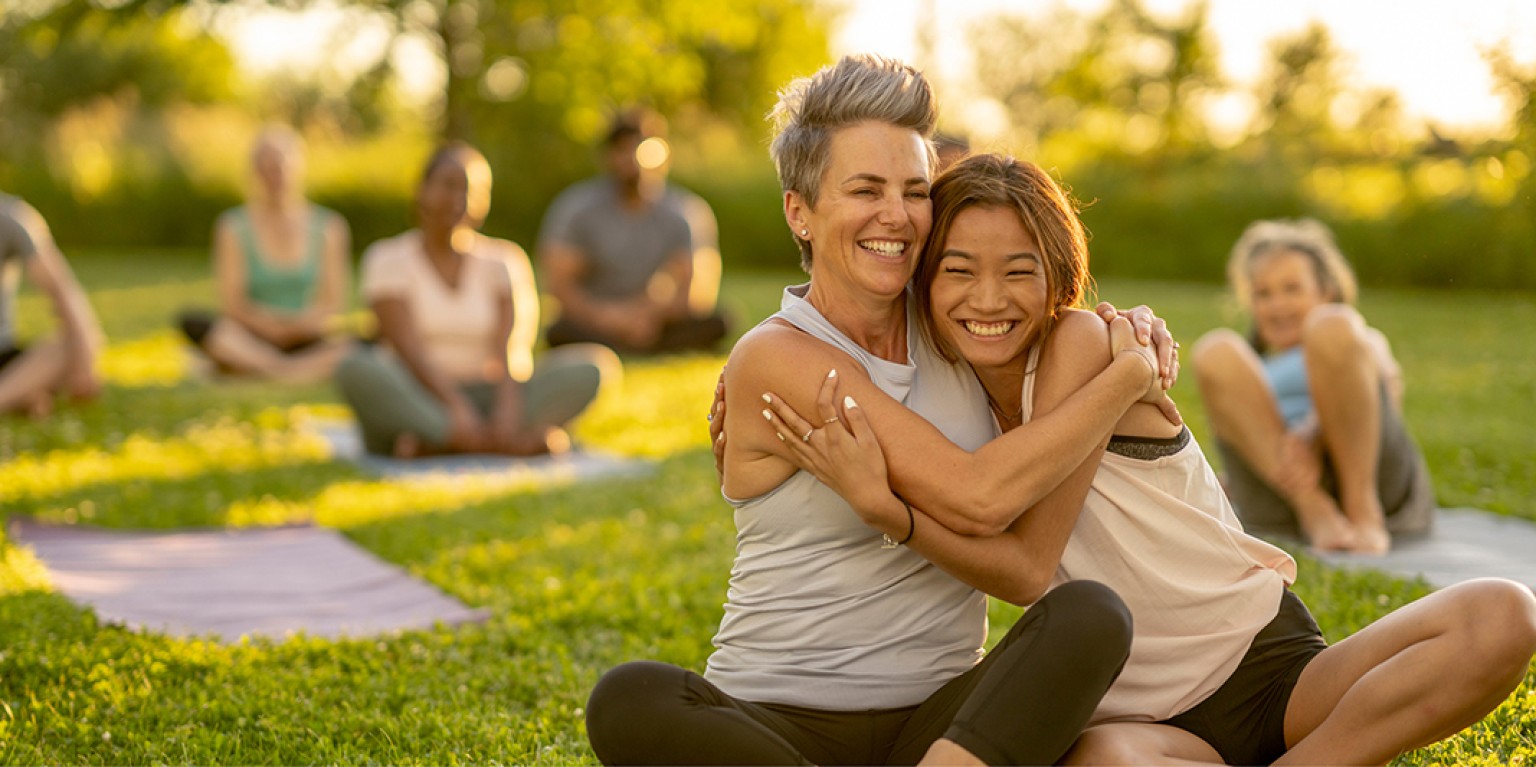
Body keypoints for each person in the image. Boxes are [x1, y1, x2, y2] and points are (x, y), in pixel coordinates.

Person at [760, 152, 1536, 766]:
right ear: (924, 283)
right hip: (1131, 719)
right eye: (957, 270)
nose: (987, 299)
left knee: (1502, 613)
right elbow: (829, 365)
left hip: (1266, 670)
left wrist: (891, 514)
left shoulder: (1079, 342)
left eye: (1019, 270)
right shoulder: (936, 398)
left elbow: (1018, 548)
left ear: (1061, 278)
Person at [585, 55, 1182, 767]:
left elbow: (1041, 312)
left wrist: (1129, 329)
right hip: (773, 721)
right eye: (865, 189)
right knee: (629, 695)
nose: (895, 216)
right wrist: (1130, 378)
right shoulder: (777, 356)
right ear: (798, 211)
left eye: (915, 190)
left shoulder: (954, 322)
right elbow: (978, 495)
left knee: (1091, 616)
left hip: (940, 723)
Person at [335, 143, 617, 458]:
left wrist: (507, 407)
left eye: (471, 190)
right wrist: (455, 408)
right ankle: (469, 437)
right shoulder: (387, 259)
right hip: (419, 393)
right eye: (448, 185)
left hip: (492, 393)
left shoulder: (504, 260)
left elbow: (511, 346)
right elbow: (407, 348)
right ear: (423, 190)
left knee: (594, 367)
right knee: (354, 368)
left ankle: (440, 443)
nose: (459, 199)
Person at [1191, 218, 1434, 554]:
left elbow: (1389, 392)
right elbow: (1239, 425)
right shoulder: (1253, 365)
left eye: (1292, 289)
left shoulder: (1353, 338)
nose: (1278, 306)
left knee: (1332, 325)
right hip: (1283, 485)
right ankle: (1314, 510)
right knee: (1214, 349)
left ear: (1326, 291)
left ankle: (1362, 512)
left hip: (1364, 471)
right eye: (1263, 294)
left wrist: (1312, 436)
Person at [538, 108, 730, 355]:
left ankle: (634, 344)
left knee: (720, 321)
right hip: (597, 320)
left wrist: (649, 315)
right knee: (559, 332)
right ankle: (628, 344)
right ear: (607, 156)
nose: (632, 159)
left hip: (657, 320)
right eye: (622, 149)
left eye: (641, 149)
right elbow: (560, 286)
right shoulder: (577, 208)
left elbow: (698, 291)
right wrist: (608, 317)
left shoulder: (685, 211)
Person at [177, 126, 352, 383]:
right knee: (196, 323)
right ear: (254, 172)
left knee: (364, 344)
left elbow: (332, 304)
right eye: (266, 168)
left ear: (298, 168)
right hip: (252, 335)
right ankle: (291, 370)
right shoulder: (233, 226)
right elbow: (232, 304)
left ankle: (263, 369)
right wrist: (271, 327)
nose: (275, 176)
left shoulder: (329, 227)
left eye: (281, 167)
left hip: (307, 336)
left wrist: (297, 326)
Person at [0, 193, 104, 416]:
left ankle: (14, 394)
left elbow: (62, 290)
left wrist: (84, 364)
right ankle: (21, 395)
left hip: (4, 356)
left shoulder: (11, 218)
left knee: (70, 347)